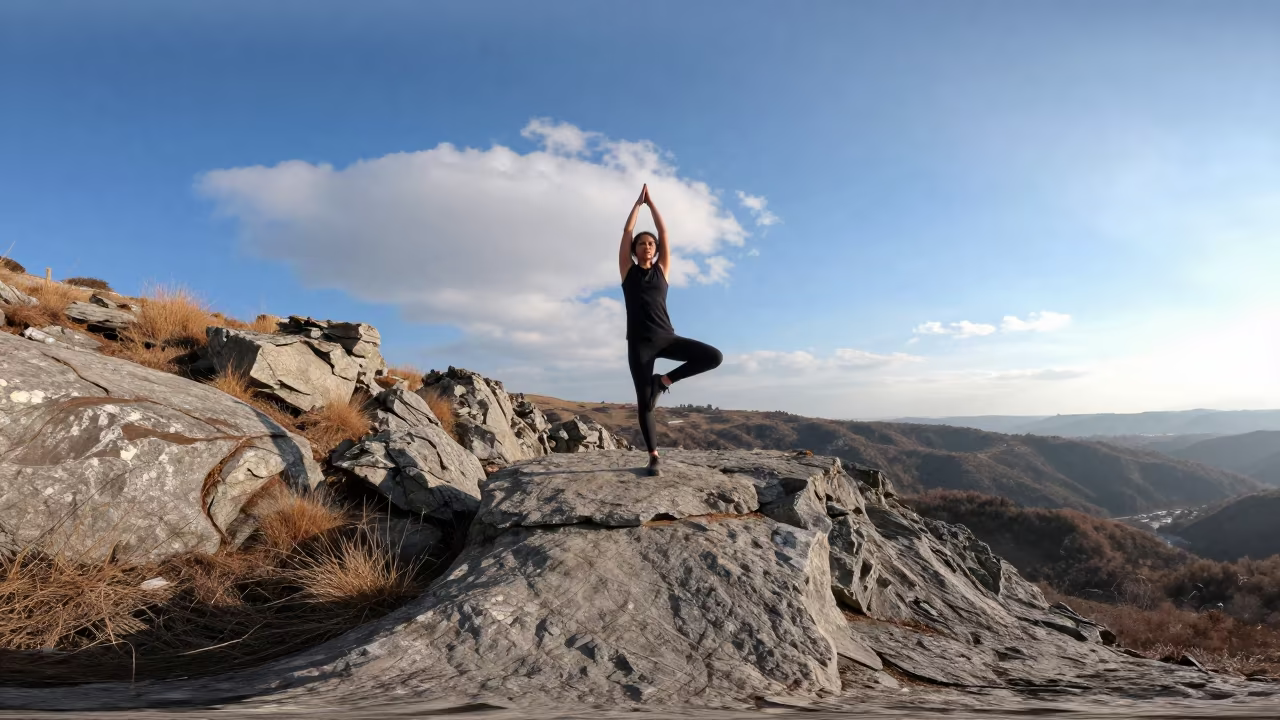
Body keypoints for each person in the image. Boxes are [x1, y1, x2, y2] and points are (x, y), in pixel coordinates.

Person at [619, 184, 723, 476]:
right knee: (644, 402)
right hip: (639, 344)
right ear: (635, 250)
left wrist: (653, 206)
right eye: (641, 244)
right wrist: (637, 207)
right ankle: (653, 456)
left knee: (713, 357)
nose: (647, 246)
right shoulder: (627, 272)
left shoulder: (662, 270)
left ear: (655, 250)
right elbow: (626, 234)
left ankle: (663, 381)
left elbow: (665, 235)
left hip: (667, 338)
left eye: (650, 244)